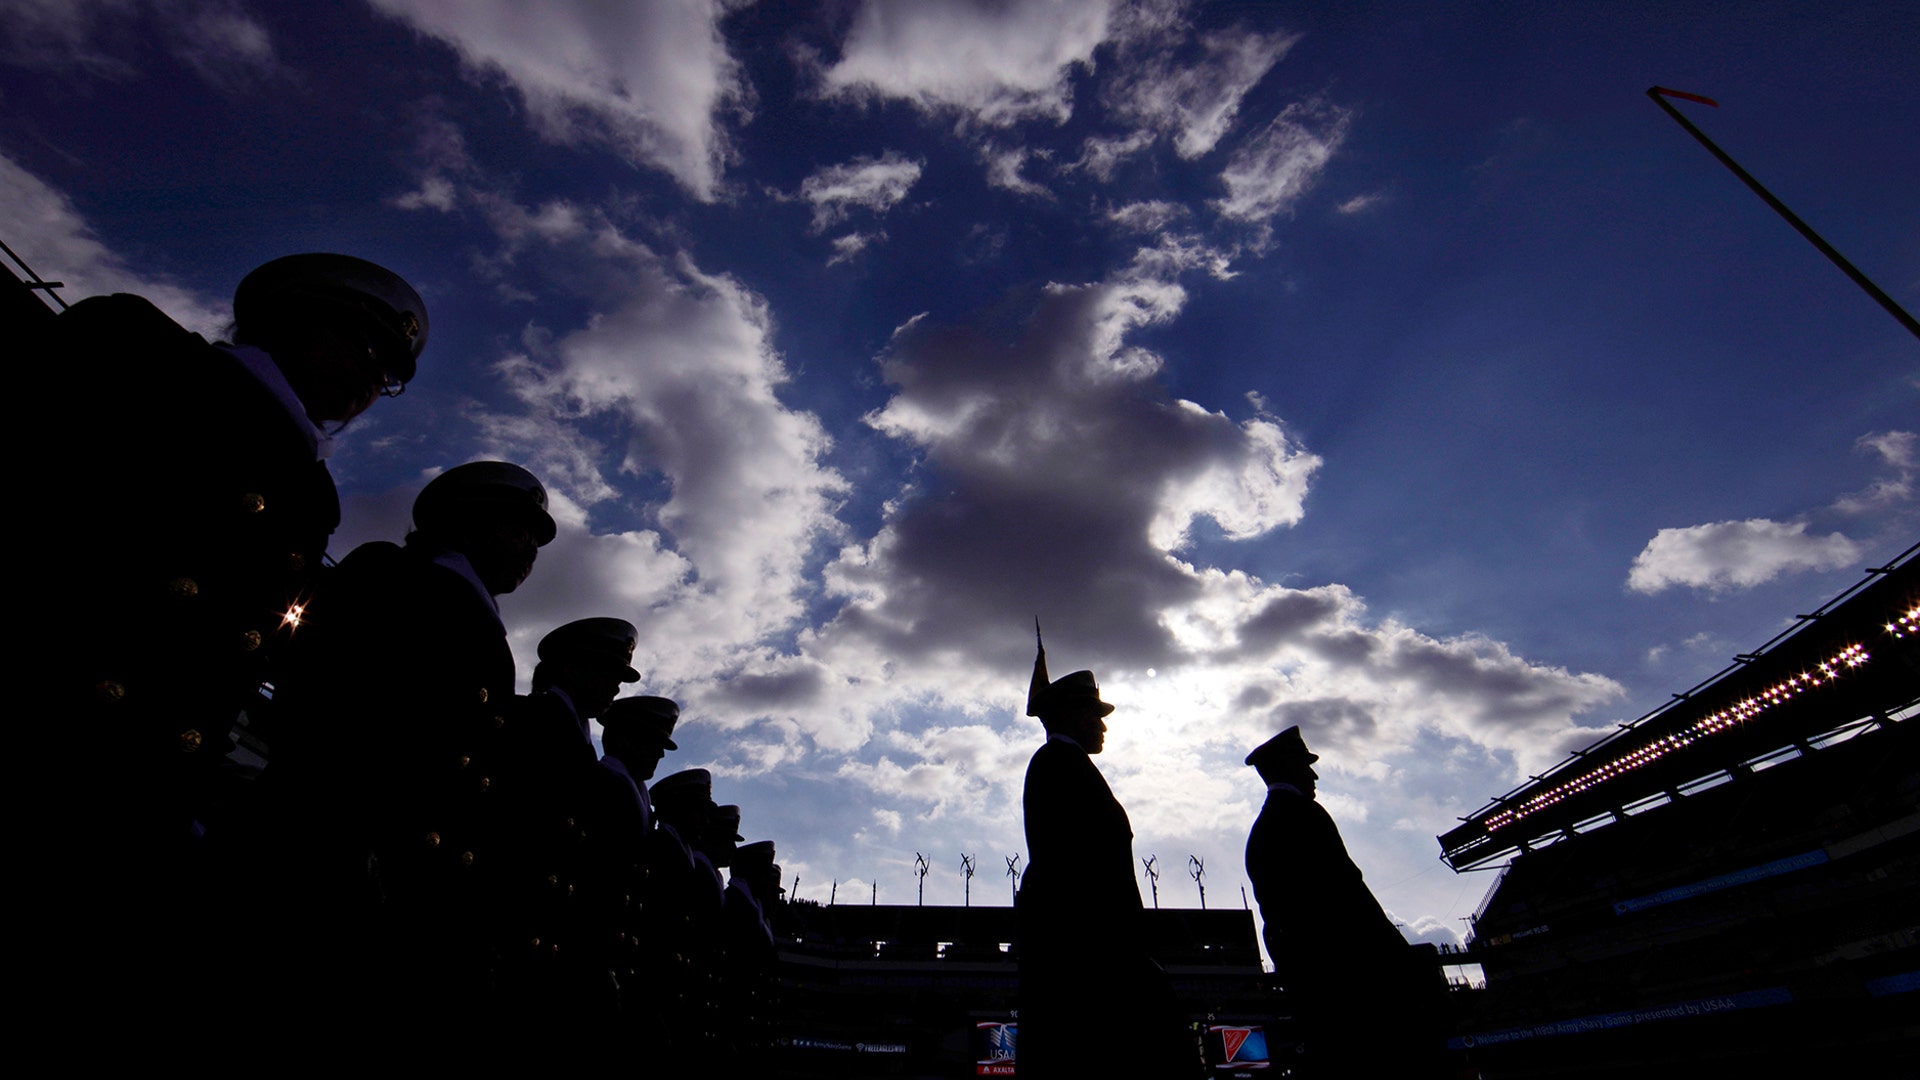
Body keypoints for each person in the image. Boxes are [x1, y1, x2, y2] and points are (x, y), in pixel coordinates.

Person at [36, 252, 427, 1041]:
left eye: (389, 371)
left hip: (141, 790)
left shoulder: (311, 490)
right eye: (365, 344)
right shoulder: (142, 355)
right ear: (292, 317)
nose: (370, 379)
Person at [255, 459, 556, 1040]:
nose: (529, 550)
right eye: (517, 530)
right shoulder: (394, 575)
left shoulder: (484, 626)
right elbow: (319, 706)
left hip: (421, 899)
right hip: (336, 870)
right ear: (467, 524)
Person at [1014, 630, 1193, 1078]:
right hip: (1092, 956)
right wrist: (1118, 950)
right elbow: (1076, 869)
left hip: (1097, 952)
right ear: (1073, 717)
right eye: (1095, 715)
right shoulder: (1058, 765)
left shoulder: (1067, 766)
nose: (1104, 725)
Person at [1244, 727, 1446, 1076]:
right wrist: (1403, 963)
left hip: (1316, 990)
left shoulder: (1263, 830)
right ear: (1288, 767)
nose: (1314, 774)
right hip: (1353, 984)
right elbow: (1352, 898)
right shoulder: (1306, 815)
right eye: (1306, 766)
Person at [497, 617, 642, 1021]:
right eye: (606, 671)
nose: (615, 685)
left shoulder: (577, 741)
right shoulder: (535, 721)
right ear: (569, 667)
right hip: (518, 947)